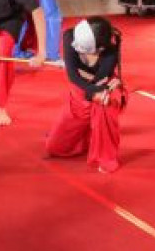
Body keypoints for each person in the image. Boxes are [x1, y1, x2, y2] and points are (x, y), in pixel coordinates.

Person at [45, 18, 125, 173]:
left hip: (105, 91)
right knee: (54, 147)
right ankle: (87, 134)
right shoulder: (70, 36)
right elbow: (73, 77)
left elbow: (99, 83)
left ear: (100, 48)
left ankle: (107, 157)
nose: (77, 50)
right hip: (81, 95)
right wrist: (92, 89)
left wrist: (98, 90)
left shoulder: (110, 53)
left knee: (105, 104)